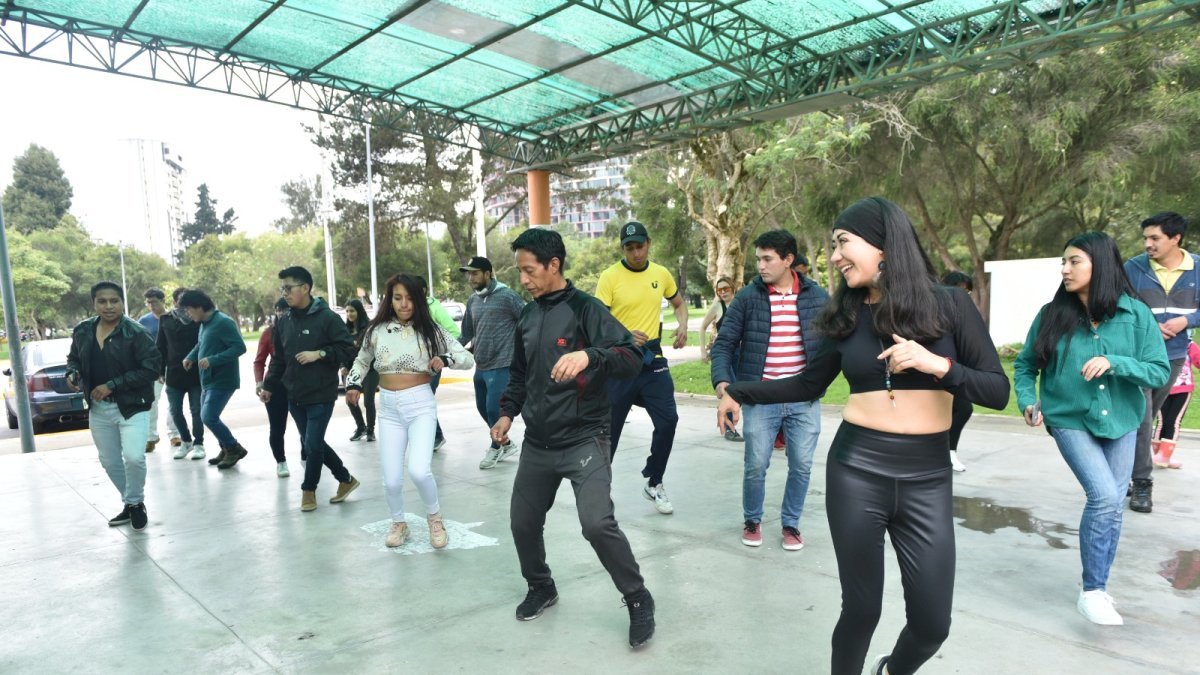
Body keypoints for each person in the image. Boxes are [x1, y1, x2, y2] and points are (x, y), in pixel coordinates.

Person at [716, 197, 1009, 675]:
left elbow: (997, 390)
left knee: (933, 622)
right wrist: (735, 391)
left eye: (843, 243)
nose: (834, 257)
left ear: (884, 246)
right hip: (857, 470)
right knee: (862, 610)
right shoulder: (846, 315)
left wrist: (938, 365)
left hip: (927, 477)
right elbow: (807, 384)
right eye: (834, 246)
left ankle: (891, 670)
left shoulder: (951, 305)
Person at [492, 228, 655, 648]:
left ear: (554, 265)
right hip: (538, 443)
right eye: (520, 272)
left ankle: (637, 598)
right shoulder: (527, 317)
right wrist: (508, 413)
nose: (524, 280)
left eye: (530, 271)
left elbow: (632, 356)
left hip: (585, 437)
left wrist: (589, 354)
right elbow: (518, 375)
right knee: (523, 522)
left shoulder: (587, 310)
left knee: (597, 524)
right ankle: (541, 586)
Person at [1015, 231, 1169, 626]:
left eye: (1074, 261)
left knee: (1113, 504)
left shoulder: (1136, 315)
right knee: (1103, 496)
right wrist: (1028, 400)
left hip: (1123, 420)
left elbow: (1158, 370)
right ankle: (1093, 590)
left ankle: (1097, 585)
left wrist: (1116, 362)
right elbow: (1025, 365)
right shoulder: (1052, 315)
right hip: (1069, 418)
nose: (1065, 269)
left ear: (1100, 265)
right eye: (1063, 263)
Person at [710, 229, 829, 550]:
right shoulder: (749, 298)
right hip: (761, 399)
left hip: (803, 399)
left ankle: (791, 524)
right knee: (756, 464)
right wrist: (724, 386)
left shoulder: (818, 299)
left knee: (802, 465)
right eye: (758, 259)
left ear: (788, 260)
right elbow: (724, 345)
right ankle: (752, 519)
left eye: (767, 259)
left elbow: (839, 342)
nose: (760, 266)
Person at [347, 274, 474, 548]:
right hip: (389, 410)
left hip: (420, 405)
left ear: (419, 299)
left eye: (409, 298)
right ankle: (398, 523)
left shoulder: (431, 331)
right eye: (397, 298)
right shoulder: (376, 331)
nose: (404, 304)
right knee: (391, 479)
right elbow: (361, 361)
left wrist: (446, 359)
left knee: (418, 470)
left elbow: (467, 358)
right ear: (389, 300)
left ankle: (435, 518)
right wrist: (353, 384)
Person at [595, 221, 688, 515]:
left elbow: (679, 303)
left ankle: (655, 481)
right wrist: (623, 335)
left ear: (649, 244)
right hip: (620, 362)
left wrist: (683, 326)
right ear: (623, 248)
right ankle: (598, 491)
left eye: (640, 246)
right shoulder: (610, 277)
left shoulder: (660, 274)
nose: (636, 252)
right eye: (629, 247)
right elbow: (597, 323)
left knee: (668, 421)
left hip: (652, 360)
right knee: (610, 433)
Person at [260, 266, 360, 512]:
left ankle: (308, 490)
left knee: (312, 445)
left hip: (320, 393)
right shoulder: (284, 322)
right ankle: (346, 479)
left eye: (288, 288)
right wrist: (269, 385)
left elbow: (348, 349)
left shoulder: (327, 318)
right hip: (294, 394)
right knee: (312, 441)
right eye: (282, 288)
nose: (284, 293)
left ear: (305, 288)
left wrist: (321, 353)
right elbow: (279, 360)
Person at [66, 282, 163, 531]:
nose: (108, 306)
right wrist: (73, 372)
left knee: (133, 457)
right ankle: (132, 504)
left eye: (114, 301)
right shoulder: (83, 330)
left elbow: (151, 369)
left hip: (133, 406)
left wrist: (112, 385)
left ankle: (134, 502)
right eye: (102, 301)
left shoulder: (136, 332)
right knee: (109, 461)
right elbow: (74, 358)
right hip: (99, 409)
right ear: (94, 303)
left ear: (122, 302)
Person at [1124, 212, 1199, 513]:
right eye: (1146, 238)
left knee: (1144, 418)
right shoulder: (1134, 268)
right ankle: (1142, 484)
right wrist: (1148, 324)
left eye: (1154, 238)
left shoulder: (1197, 268)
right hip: (1138, 354)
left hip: (1174, 355)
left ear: (1175, 238)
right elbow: (1120, 302)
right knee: (1142, 419)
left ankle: (1124, 471)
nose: (1148, 244)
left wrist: (1186, 320)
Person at [458, 256, 526, 468]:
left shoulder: (507, 296)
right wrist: (447, 352)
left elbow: (528, 320)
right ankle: (505, 443)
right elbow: (467, 332)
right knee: (483, 409)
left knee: (494, 409)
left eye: (475, 273)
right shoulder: (473, 300)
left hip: (504, 363)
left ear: (488, 274)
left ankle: (495, 448)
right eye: (468, 273)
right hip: (482, 364)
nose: (471, 278)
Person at [179, 290, 249, 469]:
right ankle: (225, 448)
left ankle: (234, 447)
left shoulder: (223, 322)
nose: (188, 313)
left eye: (189, 309)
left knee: (208, 416)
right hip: (208, 380)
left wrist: (213, 360)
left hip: (223, 379)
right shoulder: (204, 323)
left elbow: (239, 347)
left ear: (200, 307)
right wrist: (190, 357)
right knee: (208, 417)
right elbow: (201, 344)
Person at [158, 287, 205, 461]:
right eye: (182, 301)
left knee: (196, 410)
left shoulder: (198, 319)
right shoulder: (165, 319)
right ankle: (186, 441)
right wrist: (160, 371)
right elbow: (160, 346)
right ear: (176, 301)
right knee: (175, 410)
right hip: (174, 373)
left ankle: (199, 444)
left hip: (195, 372)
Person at [255, 297, 300, 477]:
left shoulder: (298, 330)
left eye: (285, 309)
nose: (281, 312)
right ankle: (281, 462)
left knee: (304, 425)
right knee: (277, 427)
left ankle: (307, 455)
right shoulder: (269, 333)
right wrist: (259, 382)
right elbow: (259, 361)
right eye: (278, 309)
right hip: (274, 385)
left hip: (298, 384)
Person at [417, 276, 461, 451]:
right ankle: (433, 436)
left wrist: (439, 354)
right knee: (421, 400)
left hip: (432, 363)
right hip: (417, 364)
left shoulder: (434, 308)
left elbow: (453, 332)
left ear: (423, 291)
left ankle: (435, 436)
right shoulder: (412, 309)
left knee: (424, 400)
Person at [700, 277, 743, 443]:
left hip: (741, 353)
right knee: (730, 390)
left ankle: (725, 418)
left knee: (741, 390)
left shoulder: (740, 304)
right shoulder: (718, 306)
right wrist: (703, 350)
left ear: (732, 288)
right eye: (720, 290)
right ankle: (729, 429)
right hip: (725, 353)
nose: (723, 292)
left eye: (726, 288)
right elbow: (703, 327)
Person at [138, 287, 181, 452]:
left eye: (154, 302)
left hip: (172, 366)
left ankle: (174, 434)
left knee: (174, 402)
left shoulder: (173, 318)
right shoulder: (143, 321)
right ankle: (150, 437)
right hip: (152, 368)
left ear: (163, 301)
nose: (151, 305)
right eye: (148, 302)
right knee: (151, 402)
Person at [941, 271, 976, 472]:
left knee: (963, 408)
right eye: (964, 291)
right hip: (936, 371)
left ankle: (949, 451)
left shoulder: (964, 313)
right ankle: (946, 452)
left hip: (956, 371)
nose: (966, 297)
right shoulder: (934, 309)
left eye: (968, 293)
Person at [1151, 337, 1196, 470]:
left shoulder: (1189, 345)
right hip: (1163, 387)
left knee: (1170, 422)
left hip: (1181, 389)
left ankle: (1162, 456)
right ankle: (1162, 456)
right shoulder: (1157, 341)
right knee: (1165, 422)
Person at [341, 299, 377, 442]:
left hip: (369, 370)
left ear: (359, 311)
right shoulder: (344, 330)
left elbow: (372, 350)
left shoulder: (369, 328)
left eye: (352, 311)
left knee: (368, 401)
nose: (349, 314)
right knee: (351, 401)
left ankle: (370, 431)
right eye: (347, 311)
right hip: (350, 371)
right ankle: (360, 427)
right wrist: (342, 366)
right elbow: (341, 350)